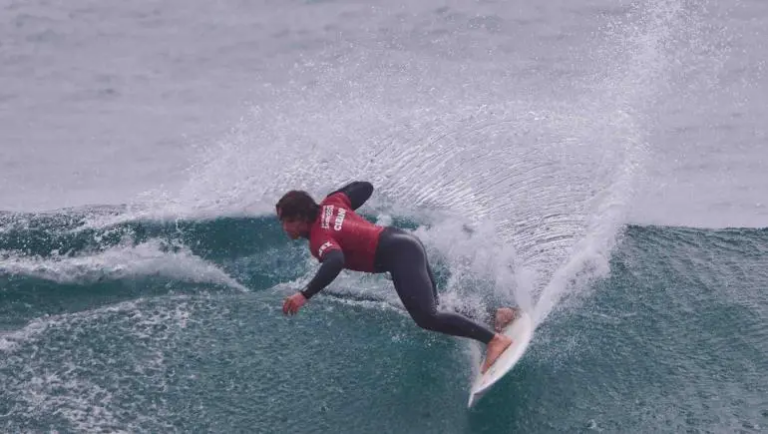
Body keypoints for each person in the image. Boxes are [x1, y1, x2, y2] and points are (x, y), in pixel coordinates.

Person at [276, 181, 517, 373]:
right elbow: (365, 187)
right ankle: (496, 316)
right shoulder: (332, 203)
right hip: (405, 242)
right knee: (436, 307)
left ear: (300, 219)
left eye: (286, 221)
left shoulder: (319, 237)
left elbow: (335, 260)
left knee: (427, 317)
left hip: (398, 254)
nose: (284, 228)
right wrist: (331, 201)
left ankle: (494, 340)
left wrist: (304, 294)